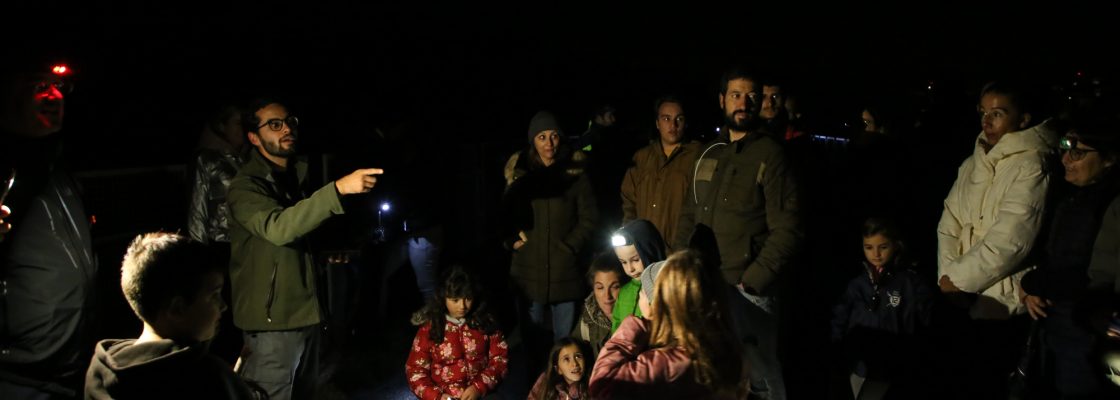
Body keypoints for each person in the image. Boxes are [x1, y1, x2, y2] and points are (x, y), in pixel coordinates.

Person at [227, 98, 383, 400]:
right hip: (272, 324)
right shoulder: (245, 186)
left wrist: (323, 256)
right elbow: (279, 228)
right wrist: (337, 189)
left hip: (305, 316)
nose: (286, 129)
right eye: (274, 125)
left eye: (289, 122)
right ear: (254, 138)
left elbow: (293, 239)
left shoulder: (292, 178)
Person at [674, 66, 802, 399]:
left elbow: (788, 228)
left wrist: (754, 279)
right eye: (735, 95)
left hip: (748, 292)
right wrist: (679, 264)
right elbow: (689, 215)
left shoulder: (771, 154)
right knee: (713, 372)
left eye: (751, 96)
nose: (743, 103)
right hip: (706, 287)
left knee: (761, 375)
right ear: (722, 100)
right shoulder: (709, 153)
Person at [936, 80, 1059, 398]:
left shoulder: (1032, 164)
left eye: (998, 113)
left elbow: (1012, 240)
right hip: (961, 297)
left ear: (1023, 119)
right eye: (983, 112)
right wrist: (947, 277)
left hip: (1002, 303)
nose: (987, 121)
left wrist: (958, 280)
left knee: (989, 382)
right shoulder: (972, 162)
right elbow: (949, 222)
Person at [0, 53, 97, 399]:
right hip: (17, 375)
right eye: (40, 85)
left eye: (59, 86)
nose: (54, 95)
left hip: (67, 362)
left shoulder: (58, 167)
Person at [84, 233, 255, 399]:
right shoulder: (205, 378)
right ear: (177, 309)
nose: (223, 306)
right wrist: (233, 387)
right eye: (214, 295)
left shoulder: (100, 372)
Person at [1020, 115, 1120, 398]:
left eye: (1078, 153)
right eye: (1065, 148)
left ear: (1109, 159)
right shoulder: (1071, 196)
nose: (1066, 159)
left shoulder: (1107, 205)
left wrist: (1033, 283)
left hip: (1085, 325)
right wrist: (1034, 288)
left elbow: (1091, 271)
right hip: (1056, 317)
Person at [589, 250, 748, 399]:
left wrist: (637, 325)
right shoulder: (726, 350)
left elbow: (601, 386)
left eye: (643, 293)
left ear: (657, 304)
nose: (641, 297)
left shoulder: (668, 363)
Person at [502, 111, 597, 344]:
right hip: (528, 270)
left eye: (554, 135)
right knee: (531, 339)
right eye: (542, 137)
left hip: (564, 270)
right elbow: (504, 215)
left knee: (565, 343)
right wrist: (512, 240)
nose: (549, 143)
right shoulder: (520, 173)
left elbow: (589, 217)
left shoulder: (574, 173)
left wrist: (570, 246)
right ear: (533, 140)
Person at [831, 218, 934, 400]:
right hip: (860, 366)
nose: (876, 254)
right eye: (869, 247)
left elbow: (928, 319)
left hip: (893, 366)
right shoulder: (857, 284)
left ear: (896, 245)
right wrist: (838, 350)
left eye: (883, 247)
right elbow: (839, 318)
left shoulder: (910, 282)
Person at [405, 265, 508, 400]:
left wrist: (479, 387)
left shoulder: (485, 322)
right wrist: (437, 396)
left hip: (482, 394)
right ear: (443, 297)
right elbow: (415, 370)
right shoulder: (430, 327)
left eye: (468, 298)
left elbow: (500, 360)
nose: (462, 306)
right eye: (455, 300)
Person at [620, 96, 700, 252]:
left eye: (679, 119)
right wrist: (630, 240)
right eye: (666, 119)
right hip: (644, 251)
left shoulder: (697, 156)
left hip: (678, 252)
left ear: (685, 122)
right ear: (657, 123)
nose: (673, 125)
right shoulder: (642, 158)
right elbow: (629, 202)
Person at [188, 103, 247, 245]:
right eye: (238, 123)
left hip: (248, 243)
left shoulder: (249, 158)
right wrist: (199, 249)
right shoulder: (207, 159)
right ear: (222, 126)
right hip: (221, 243)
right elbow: (197, 209)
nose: (243, 128)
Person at [609, 219, 666, 333]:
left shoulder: (665, 289)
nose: (630, 269)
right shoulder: (624, 292)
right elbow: (616, 329)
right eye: (623, 262)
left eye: (635, 260)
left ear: (650, 251)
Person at [571, 252, 628, 357]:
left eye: (615, 287)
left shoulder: (638, 315)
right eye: (600, 288)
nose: (607, 296)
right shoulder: (587, 321)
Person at [527, 337, 592, 400]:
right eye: (567, 359)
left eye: (578, 356)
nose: (575, 364)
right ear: (558, 369)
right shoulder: (546, 383)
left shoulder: (592, 386)